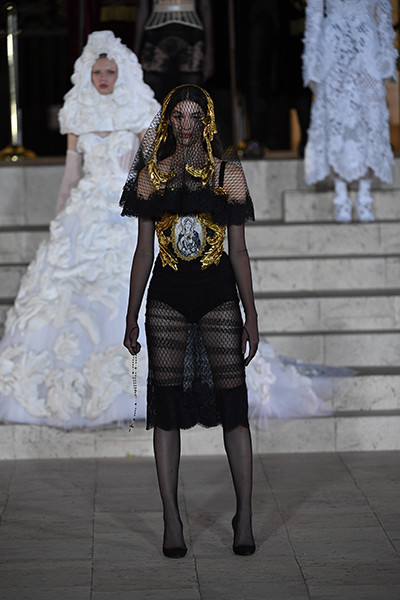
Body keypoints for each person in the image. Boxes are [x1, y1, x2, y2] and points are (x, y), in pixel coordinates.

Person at [120, 84, 258, 557]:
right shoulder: (150, 177)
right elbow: (143, 251)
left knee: (233, 407)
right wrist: (130, 314)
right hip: (166, 301)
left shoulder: (227, 175)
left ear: (207, 121)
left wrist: (252, 315)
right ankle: (171, 520)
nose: (184, 124)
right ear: (167, 120)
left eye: (193, 116)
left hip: (219, 299)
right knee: (166, 409)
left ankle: (245, 517)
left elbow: (239, 251)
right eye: (176, 116)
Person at [0, 31, 159, 427]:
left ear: (122, 73)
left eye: (110, 71)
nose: (103, 78)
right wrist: (60, 221)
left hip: (126, 211)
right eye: (97, 72)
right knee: (63, 296)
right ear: (88, 74)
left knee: (125, 288)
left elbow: (152, 170)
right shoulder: (77, 115)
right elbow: (71, 175)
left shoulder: (139, 113)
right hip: (84, 212)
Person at [303, 0, 397, 222]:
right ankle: (341, 196)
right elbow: (314, 16)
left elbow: (385, 14)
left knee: (370, 119)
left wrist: (388, 57)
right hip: (332, 49)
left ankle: (364, 195)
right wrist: (311, 64)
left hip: (367, 49)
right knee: (334, 120)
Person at [134, 0, 214, 103]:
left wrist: (209, 51)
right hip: (156, 34)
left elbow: (205, 7)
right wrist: (136, 51)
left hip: (190, 33)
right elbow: (142, 10)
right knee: (151, 90)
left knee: (191, 92)